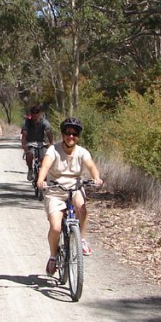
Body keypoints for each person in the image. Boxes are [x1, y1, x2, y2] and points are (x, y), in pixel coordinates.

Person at [35, 117, 103, 275]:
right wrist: (40, 180)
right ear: (63, 134)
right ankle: (53, 257)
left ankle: (82, 239)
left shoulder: (82, 152)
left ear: (78, 136)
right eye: (67, 133)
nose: (70, 136)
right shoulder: (53, 150)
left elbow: (91, 166)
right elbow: (45, 165)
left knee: (82, 208)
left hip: (74, 187)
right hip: (55, 190)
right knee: (56, 227)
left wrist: (96, 178)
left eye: (74, 134)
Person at [20, 105, 53, 180]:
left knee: (45, 157)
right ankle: (30, 170)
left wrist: (51, 143)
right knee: (30, 154)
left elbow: (48, 132)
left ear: (39, 113)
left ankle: (44, 173)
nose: (35, 114)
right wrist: (24, 145)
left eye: (37, 112)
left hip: (42, 143)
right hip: (30, 143)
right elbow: (24, 134)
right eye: (33, 113)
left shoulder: (44, 122)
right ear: (31, 114)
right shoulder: (27, 122)